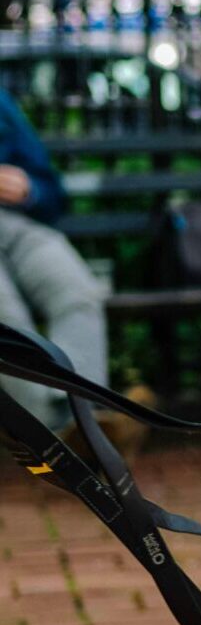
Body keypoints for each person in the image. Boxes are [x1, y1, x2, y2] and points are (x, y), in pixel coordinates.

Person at [0, 88, 146, 450]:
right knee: (7, 316)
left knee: (78, 293)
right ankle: (66, 431)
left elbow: (52, 190)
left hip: (17, 225)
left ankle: (81, 421)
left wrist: (29, 189)